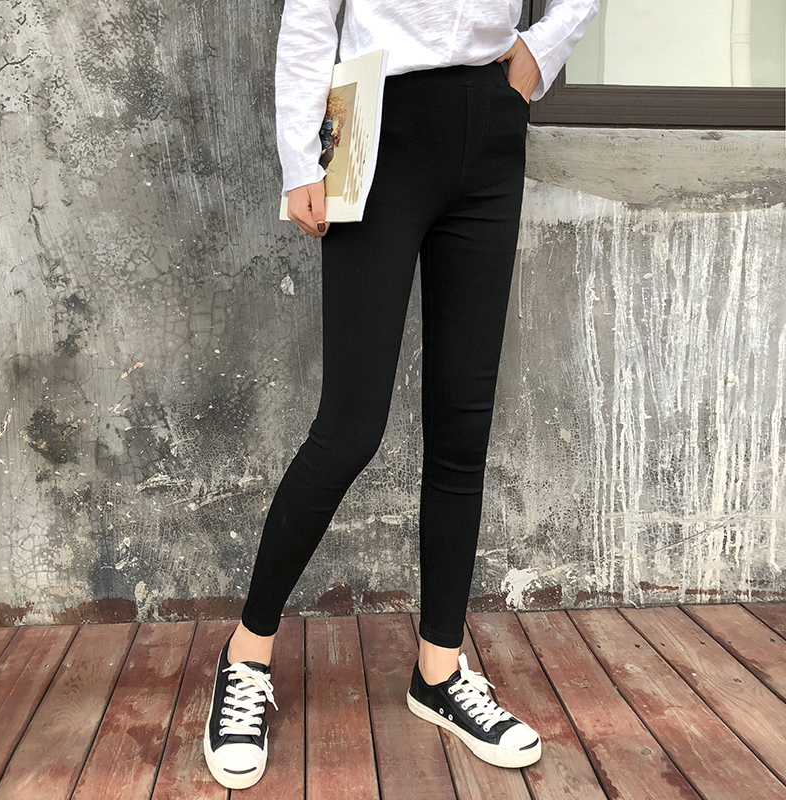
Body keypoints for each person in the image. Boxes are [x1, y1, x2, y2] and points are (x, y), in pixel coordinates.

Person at [203, 0, 600, 789]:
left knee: (463, 426)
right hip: (373, 118)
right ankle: (245, 655)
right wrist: (300, 157)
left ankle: (439, 670)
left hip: (490, 121)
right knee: (349, 429)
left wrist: (543, 46)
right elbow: (311, 13)